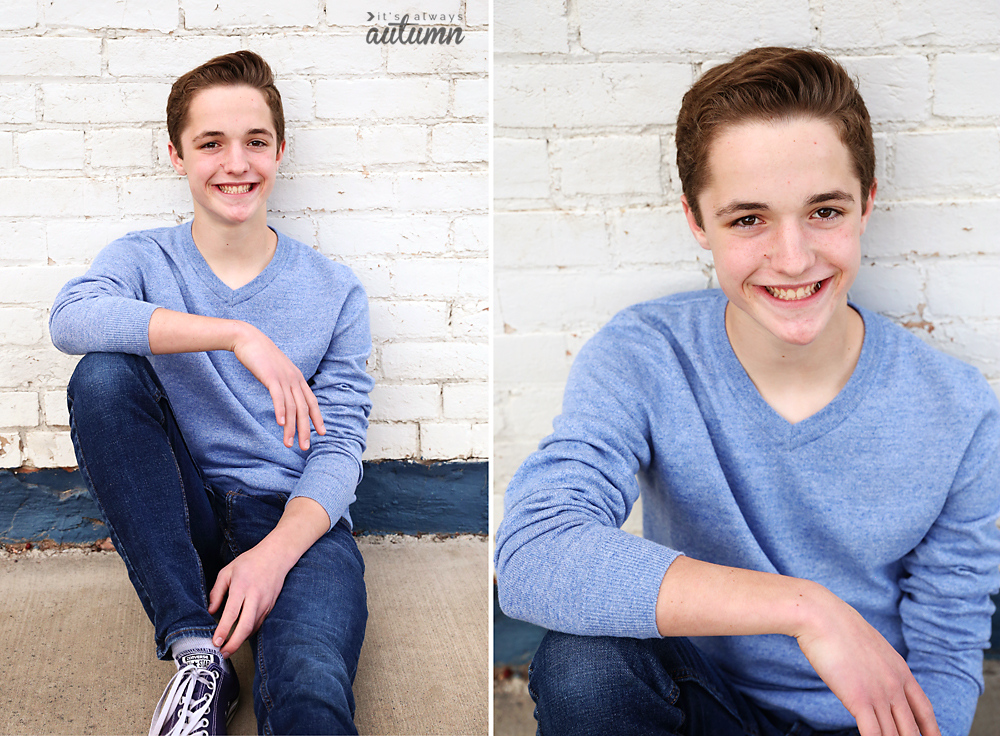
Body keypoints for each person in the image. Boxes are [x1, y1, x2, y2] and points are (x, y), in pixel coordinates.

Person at [494, 46, 1000, 736]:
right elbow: (534, 551)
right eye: (747, 219)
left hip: (862, 720)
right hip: (701, 705)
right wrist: (806, 608)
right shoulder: (648, 354)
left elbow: (948, 646)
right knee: (584, 661)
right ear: (696, 222)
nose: (793, 258)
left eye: (824, 210)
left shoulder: (959, 410)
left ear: (867, 203)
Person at [50, 51, 373, 736]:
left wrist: (275, 555)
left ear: (280, 150)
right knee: (102, 375)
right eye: (211, 143)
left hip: (291, 521)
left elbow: (341, 444)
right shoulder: (143, 258)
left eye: (255, 141)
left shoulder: (334, 290)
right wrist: (234, 334)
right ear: (176, 155)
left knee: (311, 689)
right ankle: (198, 658)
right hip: (181, 510)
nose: (236, 164)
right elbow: (71, 319)